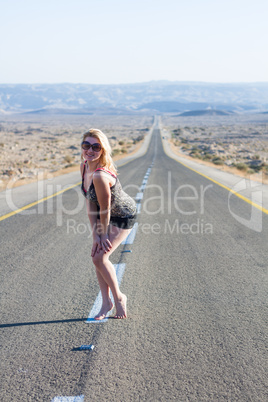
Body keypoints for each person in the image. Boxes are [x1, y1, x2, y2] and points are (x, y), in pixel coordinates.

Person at [80, 128, 137, 320]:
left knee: (99, 258)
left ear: (103, 150)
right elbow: (91, 204)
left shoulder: (99, 175)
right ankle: (106, 302)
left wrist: (103, 235)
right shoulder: (84, 167)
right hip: (106, 215)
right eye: (86, 145)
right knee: (97, 255)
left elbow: (104, 209)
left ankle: (118, 298)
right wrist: (95, 235)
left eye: (96, 147)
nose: (90, 150)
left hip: (123, 215)